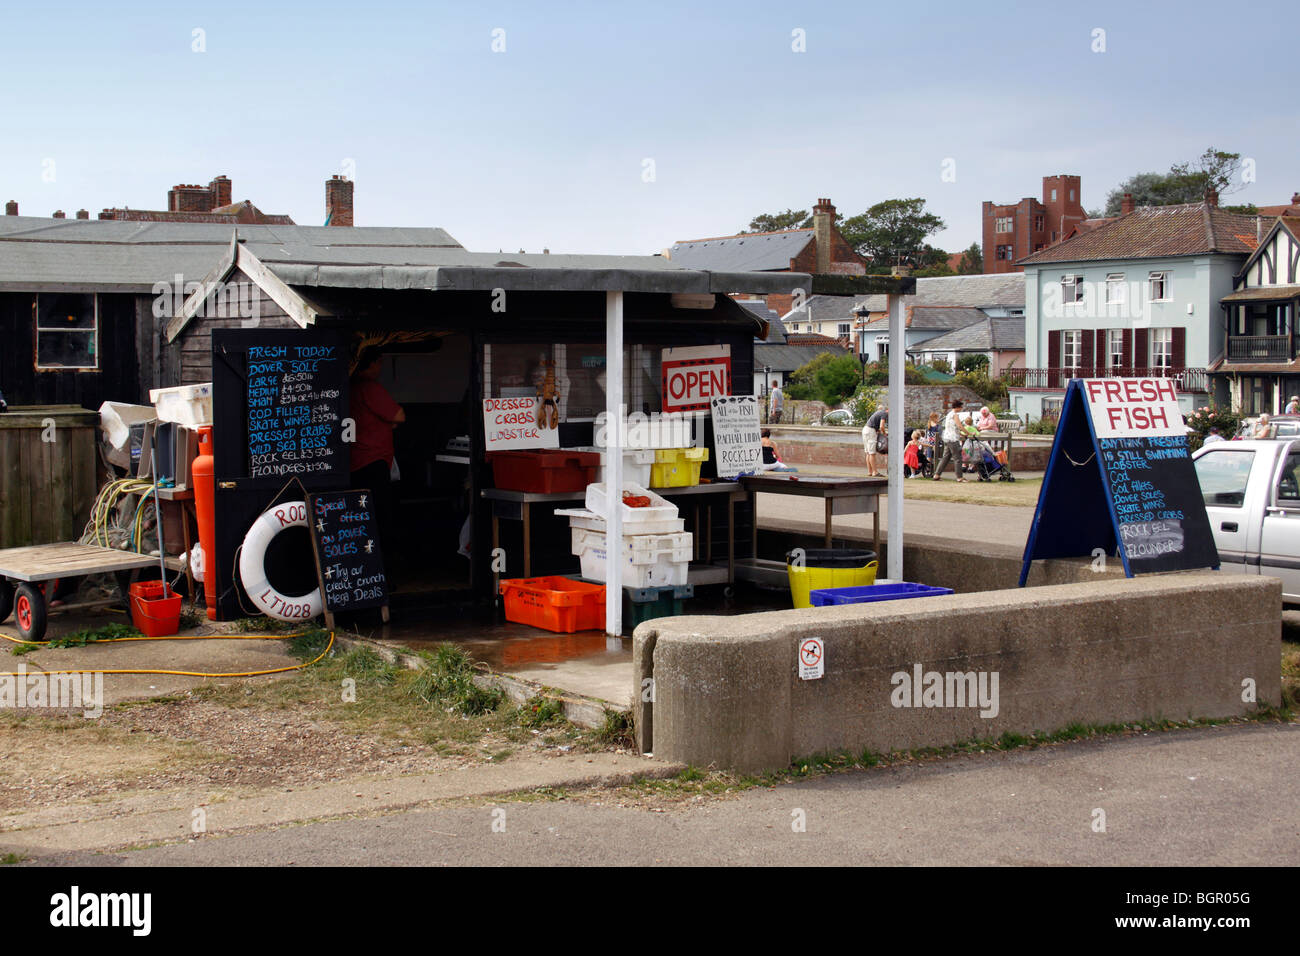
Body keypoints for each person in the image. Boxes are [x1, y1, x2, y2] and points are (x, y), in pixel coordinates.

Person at [349, 347, 405, 567]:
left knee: (359, 519)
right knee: (380, 520)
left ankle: (364, 569)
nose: (380, 367)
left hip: (352, 463)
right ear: (371, 364)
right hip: (372, 461)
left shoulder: (348, 387)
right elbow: (400, 415)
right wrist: (389, 422)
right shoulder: (369, 388)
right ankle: (380, 572)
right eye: (379, 363)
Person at [932, 400, 967, 482]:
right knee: (957, 458)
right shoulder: (955, 415)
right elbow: (959, 426)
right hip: (953, 439)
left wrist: (962, 434)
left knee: (945, 458)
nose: (961, 408)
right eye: (961, 407)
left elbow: (952, 428)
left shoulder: (949, 414)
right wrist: (968, 433)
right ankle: (959, 477)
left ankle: (936, 475)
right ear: (958, 407)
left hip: (947, 438)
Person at [862, 406, 888, 477]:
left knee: (868, 453)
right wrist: (885, 434)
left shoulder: (878, 412)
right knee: (872, 453)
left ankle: (870, 471)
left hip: (865, 429)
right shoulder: (884, 414)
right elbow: (881, 426)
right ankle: (875, 472)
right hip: (871, 431)